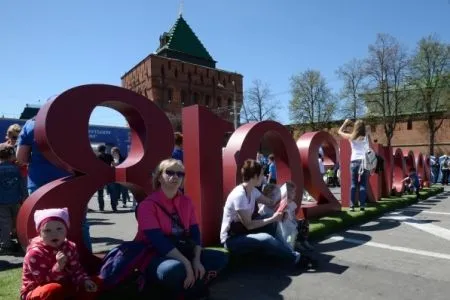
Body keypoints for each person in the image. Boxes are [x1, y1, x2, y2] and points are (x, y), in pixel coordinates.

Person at [135, 159, 228, 299]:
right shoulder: (147, 206)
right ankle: (191, 288)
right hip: (156, 254)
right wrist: (186, 263)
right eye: (170, 172)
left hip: (183, 248)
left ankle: (187, 287)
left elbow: (195, 233)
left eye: (180, 174)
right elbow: (158, 241)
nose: (175, 177)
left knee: (221, 257)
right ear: (159, 177)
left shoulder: (186, 201)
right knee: (173, 270)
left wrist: (196, 259)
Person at [220, 159, 315, 269]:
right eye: (261, 175)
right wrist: (273, 218)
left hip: (244, 231)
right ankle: (296, 258)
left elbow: (271, 202)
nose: (263, 177)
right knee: (266, 238)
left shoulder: (253, 191)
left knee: (272, 222)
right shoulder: (239, 195)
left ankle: (286, 251)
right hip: (232, 239)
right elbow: (249, 225)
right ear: (255, 176)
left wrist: (285, 197)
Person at [16, 118, 93, 252]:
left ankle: (46, 264)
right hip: (72, 181)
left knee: (43, 225)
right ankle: (84, 262)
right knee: (79, 224)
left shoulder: (32, 124)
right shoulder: (74, 124)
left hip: (40, 183)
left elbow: (21, 157)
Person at [21, 208, 100, 300]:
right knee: (52, 289)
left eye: (59, 229)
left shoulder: (70, 246)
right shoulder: (34, 253)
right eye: (47, 230)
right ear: (40, 233)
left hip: (66, 284)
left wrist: (85, 280)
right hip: (38, 289)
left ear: (66, 230)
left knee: (95, 281)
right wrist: (58, 266)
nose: (54, 234)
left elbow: (77, 269)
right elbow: (42, 281)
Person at [338, 119, 371, 212]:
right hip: (364, 161)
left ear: (355, 128)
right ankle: (362, 206)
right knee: (363, 184)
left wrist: (345, 123)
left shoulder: (351, 137)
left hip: (354, 161)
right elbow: (367, 128)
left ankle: (352, 206)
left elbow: (339, 132)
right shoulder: (366, 136)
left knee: (353, 184)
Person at [0, 144, 27, 254]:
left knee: (4, 223)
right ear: (11, 155)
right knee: (18, 222)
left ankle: (6, 245)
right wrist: (25, 198)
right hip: (16, 200)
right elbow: (23, 185)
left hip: (1, 202)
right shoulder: (17, 169)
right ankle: (22, 244)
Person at [96, 145, 113, 211]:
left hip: (100, 176)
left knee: (100, 193)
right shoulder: (109, 156)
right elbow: (113, 164)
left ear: (98, 150)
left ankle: (101, 207)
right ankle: (114, 207)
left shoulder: (97, 157)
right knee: (112, 192)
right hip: (108, 175)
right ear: (105, 149)